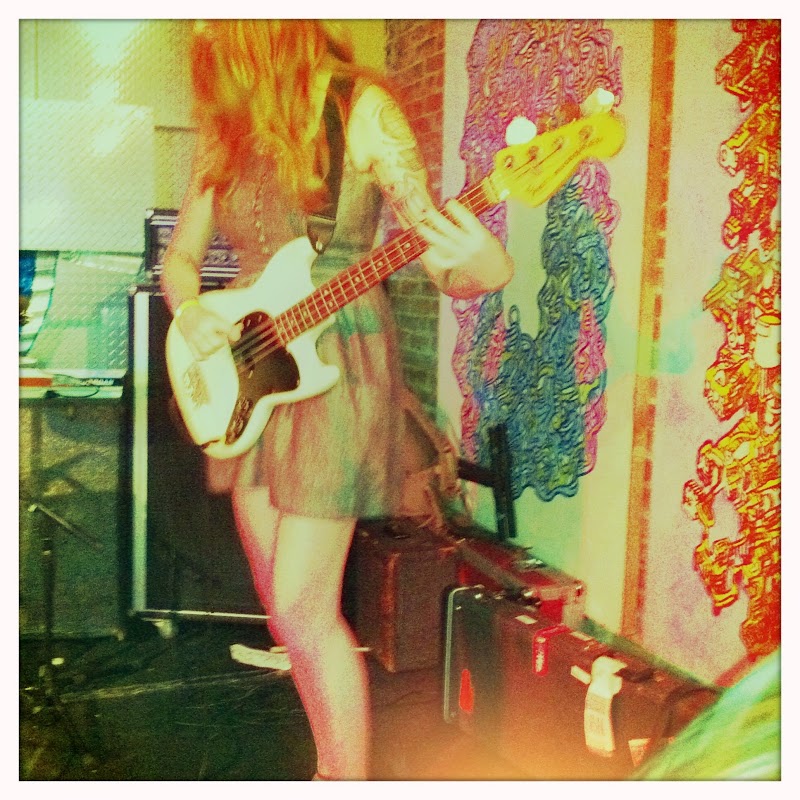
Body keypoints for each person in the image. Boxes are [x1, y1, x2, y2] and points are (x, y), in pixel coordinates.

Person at [160, 19, 513, 781]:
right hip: (248, 360)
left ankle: (342, 780)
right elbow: (180, 258)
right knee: (280, 600)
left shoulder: (362, 107)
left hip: (338, 362)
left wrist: (485, 266)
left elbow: (442, 262)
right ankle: (330, 758)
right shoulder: (226, 126)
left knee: (301, 605)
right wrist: (192, 315)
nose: (201, 28)